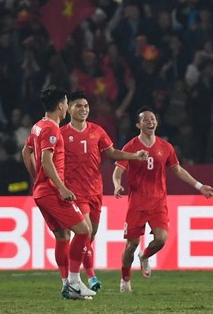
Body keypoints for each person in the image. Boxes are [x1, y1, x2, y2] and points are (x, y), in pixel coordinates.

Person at [113, 107, 213, 293]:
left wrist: (199, 186)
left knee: (161, 239)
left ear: (157, 122)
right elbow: (118, 170)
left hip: (158, 202)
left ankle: (144, 257)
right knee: (131, 245)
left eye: (152, 118)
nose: (150, 122)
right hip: (137, 203)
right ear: (138, 124)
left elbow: (178, 170)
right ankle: (125, 279)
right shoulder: (130, 147)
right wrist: (116, 184)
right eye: (145, 119)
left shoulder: (165, 147)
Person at [61, 91, 149, 291]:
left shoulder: (97, 131)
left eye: (85, 106)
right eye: (78, 106)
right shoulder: (62, 134)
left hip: (95, 191)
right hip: (75, 192)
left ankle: (85, 275)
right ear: (69, 110)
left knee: (89, 237)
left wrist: (135, 156)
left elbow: (112, 153)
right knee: (86, 232)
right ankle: (83, 278)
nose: (83, 109)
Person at [21, 86, 96, 300]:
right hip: (52, 192)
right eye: (66, 104)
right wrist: (61, 187)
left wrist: (37, 178)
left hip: (41, 191)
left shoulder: (38, 126)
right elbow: (46, 160)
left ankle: (67, 285)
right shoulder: (52, 129)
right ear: (62, 106)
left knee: (63, 236)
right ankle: (74, 281)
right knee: (83, 231)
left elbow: (25, 151)